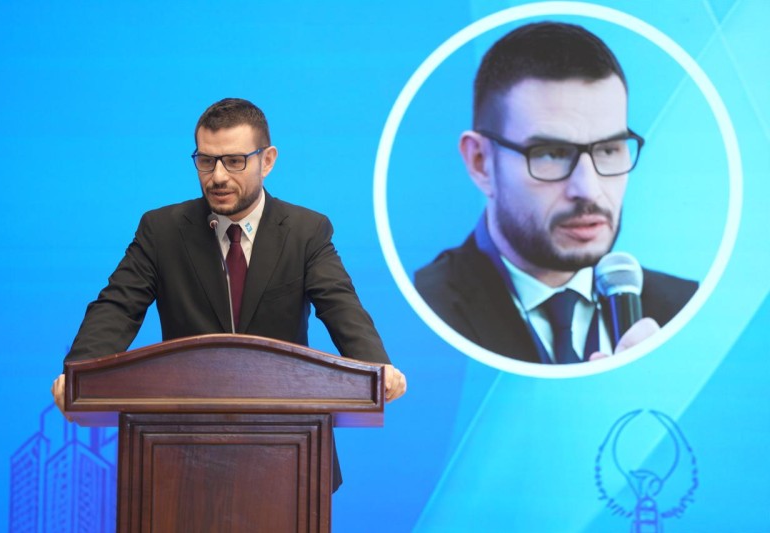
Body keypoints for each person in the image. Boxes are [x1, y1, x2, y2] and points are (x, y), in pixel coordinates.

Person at [51, 97, 406, 489]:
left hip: (291, 452)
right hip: (180, 452)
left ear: (267, 160)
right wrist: (79, 373)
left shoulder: (306, 231)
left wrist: (376, 366)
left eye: (234, 161)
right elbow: (118, 306)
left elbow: (340, 305)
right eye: (206, 161)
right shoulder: (162, 231)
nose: (217, 176)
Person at [414, 22, 697, 365]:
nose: (588, 190)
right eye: (550, 154)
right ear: (481, 163)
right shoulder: (419, 317)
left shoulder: (687, 315)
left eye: (609, 150)